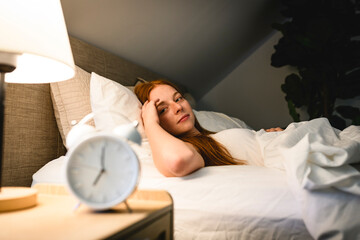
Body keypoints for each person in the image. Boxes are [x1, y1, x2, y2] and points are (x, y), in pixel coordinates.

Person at [135, 79, 284, 177]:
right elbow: (177, 160)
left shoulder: (209, 139)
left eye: (178, 98)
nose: (178, 107)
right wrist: (150, 123)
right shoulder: (190, 149)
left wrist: (265, 137)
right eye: (163, 109)